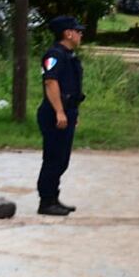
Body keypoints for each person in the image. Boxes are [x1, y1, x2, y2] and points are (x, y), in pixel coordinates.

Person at [37, 15, 86, 217]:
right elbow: (50, 82)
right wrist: (59, 111)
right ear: (68, 33)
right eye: (78, 31)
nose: (80, 34)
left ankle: (53, 198)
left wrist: (72, 113)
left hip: (67, 111)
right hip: (54, 113)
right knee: (54, 158)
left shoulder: (68, 55)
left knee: (62, 159)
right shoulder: (55, 54)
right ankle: (46, 202)